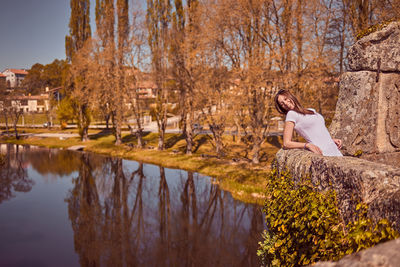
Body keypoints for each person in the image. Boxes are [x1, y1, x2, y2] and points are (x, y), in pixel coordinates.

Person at [274, 89, 343, 156]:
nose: (285, 103)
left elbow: (318, 131)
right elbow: (286, 143)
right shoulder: (291, 114)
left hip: (334, 149)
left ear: (290, 96)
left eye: (285, 99)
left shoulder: (310, 110)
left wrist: (330, 140)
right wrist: (306, 145)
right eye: (282, 104)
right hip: (322, 152)